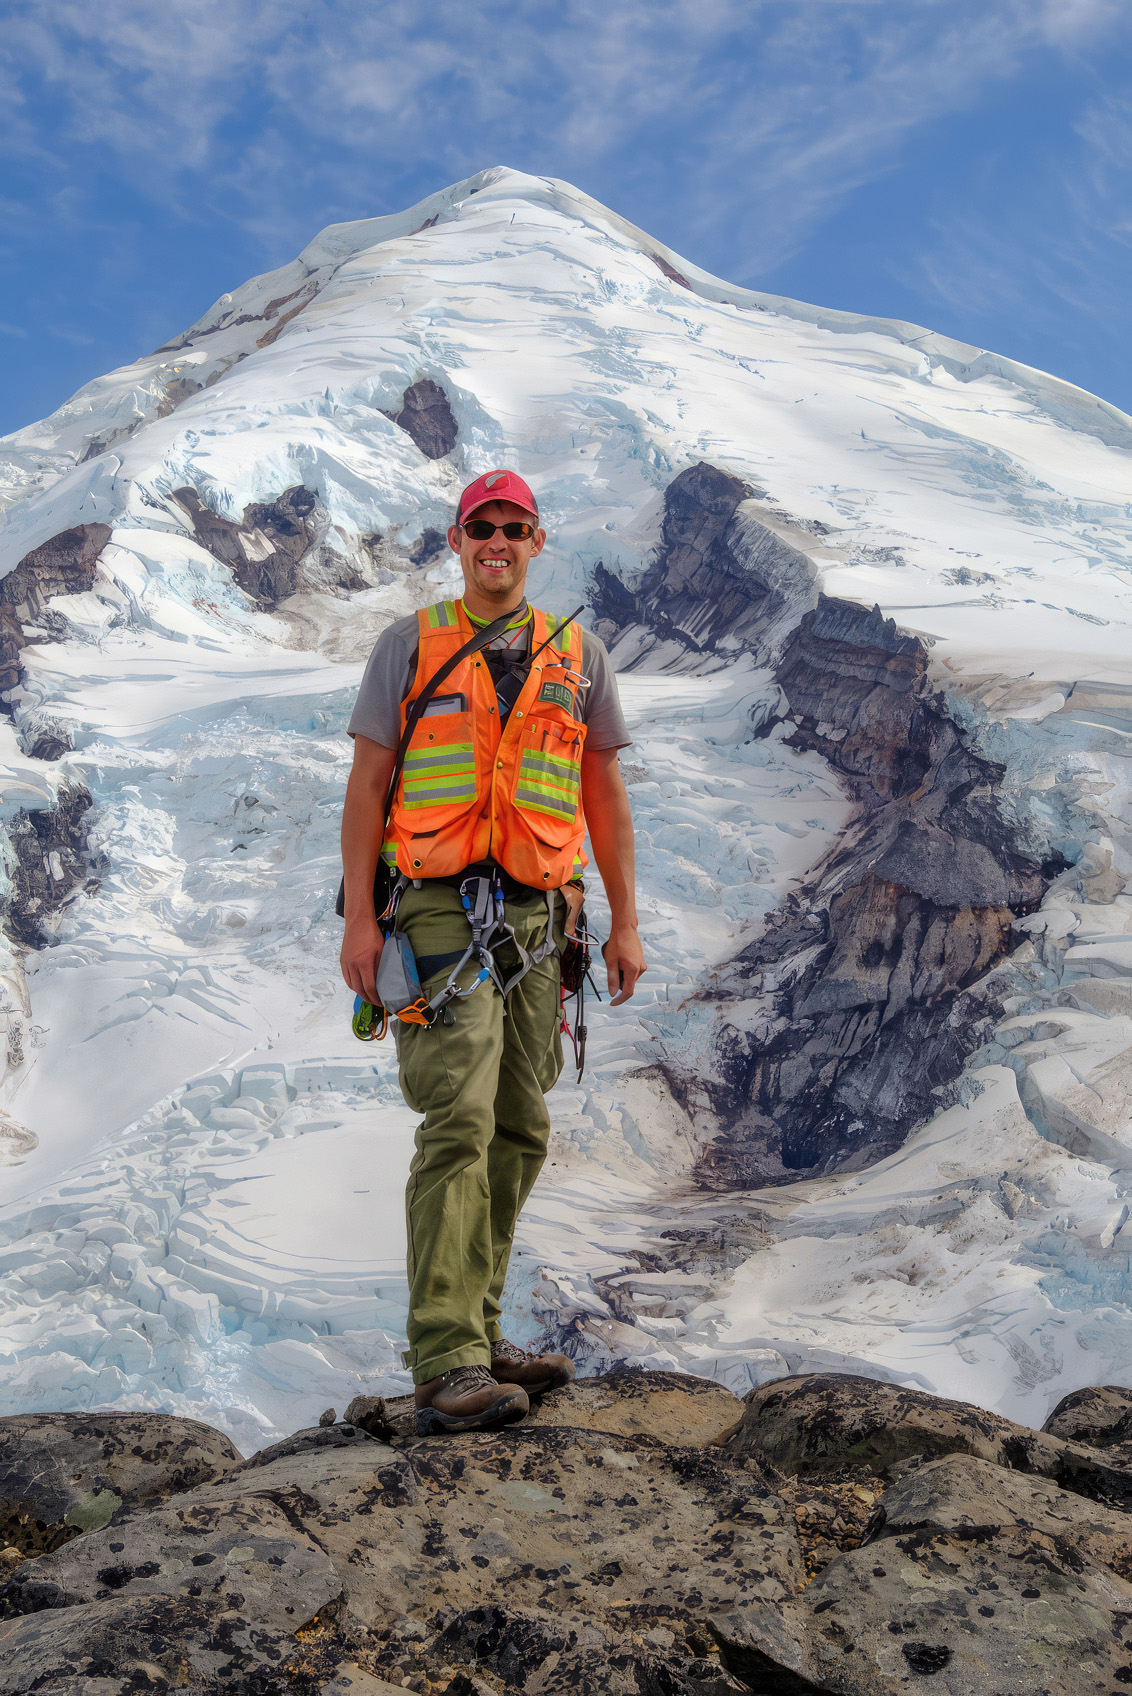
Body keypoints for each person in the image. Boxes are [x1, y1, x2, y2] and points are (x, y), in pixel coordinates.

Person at [340, 468, 646, 1435]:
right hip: (436, 915)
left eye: (514, 528)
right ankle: (446, 1355)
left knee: (520, 1124)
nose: (497, 543)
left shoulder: (577, 654)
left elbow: (602, 797)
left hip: (542, 922)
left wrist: (626, 921)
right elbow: (367, 784)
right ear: (457, 539)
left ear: (538, 541)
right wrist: (359, 918)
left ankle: (481, 1322)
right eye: (483, 527)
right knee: (459, 1120)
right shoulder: (410, 644)